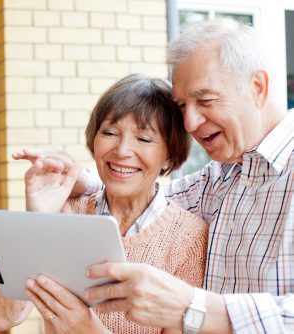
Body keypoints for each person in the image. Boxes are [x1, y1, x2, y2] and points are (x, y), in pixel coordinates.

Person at [18, 19, 294, 333]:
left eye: (205, 100)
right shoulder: (223, 177)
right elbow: (148, 195)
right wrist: (76, 179)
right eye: (182, 105)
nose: (189, 122)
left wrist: (195, 308)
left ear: (257, 87)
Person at [0, 74, 209, 333]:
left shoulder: (189, 238)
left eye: (144, 139)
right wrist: (38, 218)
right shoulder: (67, 212)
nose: (122, 150)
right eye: (110, 133)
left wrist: (89, 329)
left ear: (170, 156)